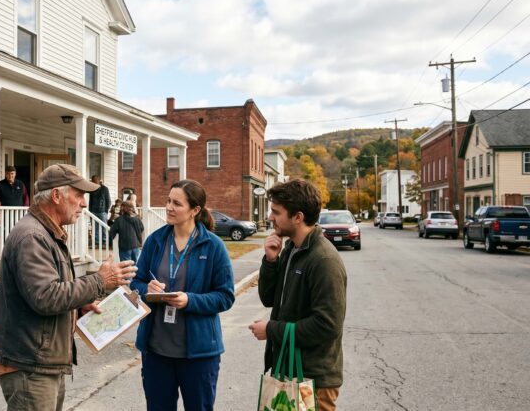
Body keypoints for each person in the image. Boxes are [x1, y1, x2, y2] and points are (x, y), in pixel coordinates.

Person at [0, 163, 138, 411]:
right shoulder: (33, 237)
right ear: (56, 196)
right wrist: (99, 281)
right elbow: (45, 296)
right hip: (30, 364)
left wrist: (77, 306)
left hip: (41, 361)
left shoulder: (47, 233)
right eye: (78, 195)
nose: (84, 204)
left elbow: (47, 291)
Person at [130, 179, 235, 411]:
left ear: (194, 210)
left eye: (177, 203)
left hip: (199, 355)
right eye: (168, 201)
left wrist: (190, 300)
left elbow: (225, 296)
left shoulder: (213, 246)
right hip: (156, 351)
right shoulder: (155, 241)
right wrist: (147, 289)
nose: (169, 207)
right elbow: (136, 282)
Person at [249, 179, 347, 411]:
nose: (270, 217)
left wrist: (271, 330)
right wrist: (271, 261)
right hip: (287, 368)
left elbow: (327, 325)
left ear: (298, 217)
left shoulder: (324, 260)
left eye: (276, 212)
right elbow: (269, 298)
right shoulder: (292, 249)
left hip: (314, 379)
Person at [88, 175, 111, 245]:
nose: (93, 182)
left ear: (99, 180)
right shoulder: (92, 189)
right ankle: (96, 242)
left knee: (104, 228)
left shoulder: (105, 189)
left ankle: (104, 242)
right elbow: (90, 201)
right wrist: (90, 211)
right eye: (93, 181)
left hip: (102, 212)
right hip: (93, 211)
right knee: (95, 228)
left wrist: (105, 211)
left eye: (95, 180)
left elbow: (108, 201)